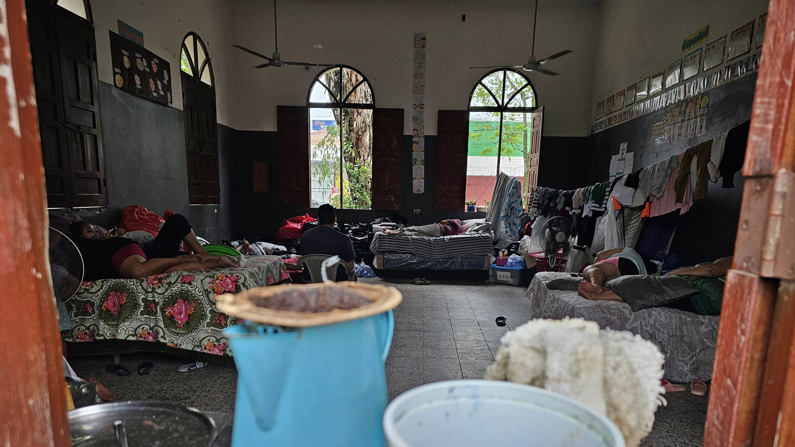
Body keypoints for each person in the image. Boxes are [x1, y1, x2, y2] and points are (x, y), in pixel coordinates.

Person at [70, 213, 235, 280]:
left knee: (176, 220)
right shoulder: (80, 248)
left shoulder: (108, 241)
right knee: (168, 270)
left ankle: (202, 254)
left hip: (140, 249)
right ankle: (193, 259)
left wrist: (118, 235)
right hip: (148, 254)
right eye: (88, 232)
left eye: (93, 230)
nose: (94, 233)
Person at [299, 204, 356, 281]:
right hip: (337, 282)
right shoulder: (344, 239)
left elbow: (302, 259)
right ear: (335, 218)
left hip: (310, 280)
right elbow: (350, 266)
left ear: (317, 219)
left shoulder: (305, 236)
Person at [383, 218, 463, 237]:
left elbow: (443, 221)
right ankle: (394, 232)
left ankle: (394, 231)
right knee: (416, 234)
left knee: (416, 228)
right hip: (439, 235)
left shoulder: (458, 221)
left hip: (438, 228)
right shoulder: (458, 233)